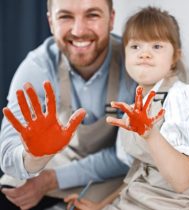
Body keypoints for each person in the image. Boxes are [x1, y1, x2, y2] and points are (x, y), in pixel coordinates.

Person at [64, 6, 189, 210]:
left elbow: (183, 182)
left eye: (156, 46)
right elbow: (138, 172)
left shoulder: (186, 97)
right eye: (135, 46)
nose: (144, 54)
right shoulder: (132, 107)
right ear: (125, 55)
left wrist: (151, 135)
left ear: (175, 56)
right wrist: (101, 206)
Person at [0, 0, 135, 209]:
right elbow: (9, 156)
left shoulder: (135, 65)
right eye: (65, 16)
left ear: (111, 19)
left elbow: (129, 154)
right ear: (51, 22)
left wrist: (51, 180)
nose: (79, 30)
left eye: (92, 15)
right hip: (47, 165)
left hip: (110, 177)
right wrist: (33, 158)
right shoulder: (37, 66)